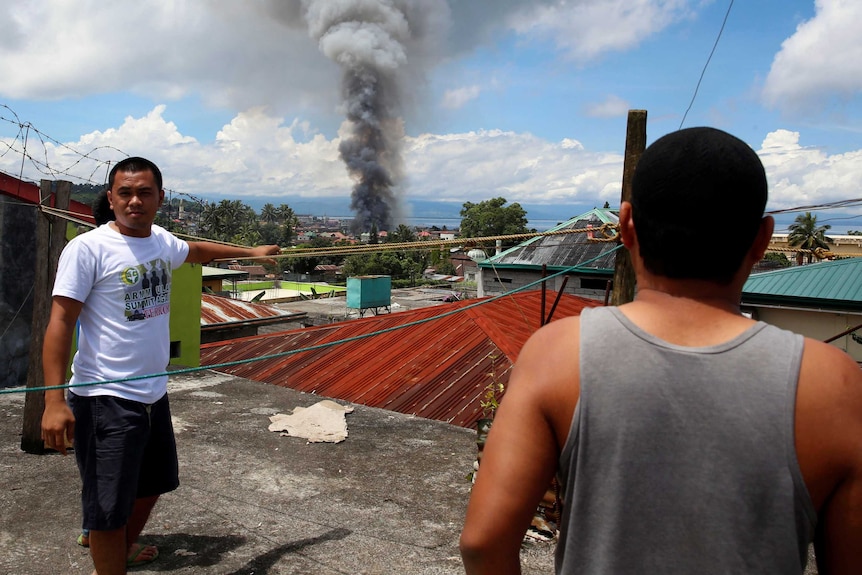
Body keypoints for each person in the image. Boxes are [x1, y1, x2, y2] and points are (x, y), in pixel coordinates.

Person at [460, 127, 862, 574]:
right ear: (763, 239)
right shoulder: (835, 383)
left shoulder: (558, 353)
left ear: (626, 226)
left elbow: (483, 543)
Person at [41, 157, 281, 575]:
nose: (135, 201)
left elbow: (195, 251)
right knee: (107, 508)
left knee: (154, 483)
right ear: (111, 198)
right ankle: (107, 547)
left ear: (160, 198)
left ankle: (121, 546)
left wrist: (251, 252)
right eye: (125, 193)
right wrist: (53, 401)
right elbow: (61, 322)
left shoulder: (160, 241)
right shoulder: (88, 248)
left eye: (144, 192)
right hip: (104, 397)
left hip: (151, 394)